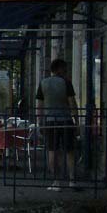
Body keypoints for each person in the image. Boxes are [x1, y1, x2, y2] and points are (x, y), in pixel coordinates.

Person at [36, 59, 79, 191]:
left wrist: (39, 122)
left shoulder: (43, 83)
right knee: (70, 151)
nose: (66, 71)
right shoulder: (66, 82)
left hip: (50, 121)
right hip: (65, 120)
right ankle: (72, 180)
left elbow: (39, 106)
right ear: (60, 69)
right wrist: (76, 120)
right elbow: (72, 103)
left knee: (52, 151)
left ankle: (56, 182)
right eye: (65, 69)